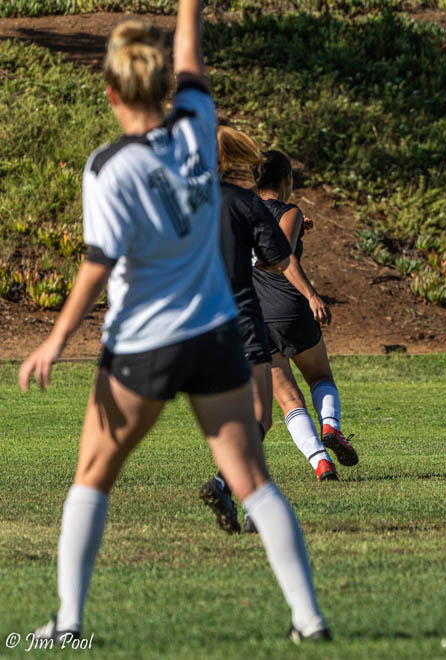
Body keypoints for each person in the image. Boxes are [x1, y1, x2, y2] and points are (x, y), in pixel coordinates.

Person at [18, 2, 330, 644]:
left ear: (110, 92)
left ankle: (70, 623)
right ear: (165, 87)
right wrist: (189, 6)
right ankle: (309, 618)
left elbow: (99, 264)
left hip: (145, 343)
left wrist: (53, 340)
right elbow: (193, 56)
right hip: (217, 337)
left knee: (92, 476)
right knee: (251, 479)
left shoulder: (109, 167)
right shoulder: (196, 126)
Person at [198, 125, 293, 535]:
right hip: (239, 315)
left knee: (227, 420)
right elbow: (276, 259)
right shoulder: (243, 201)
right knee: (259, 416)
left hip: (195, 323)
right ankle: (226, 484)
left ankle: (251, 504)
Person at [253, 150, 358, 483]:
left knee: (287, 400)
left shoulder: (238, 211)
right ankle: (331, 425)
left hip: (252, 315)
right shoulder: (290, 211)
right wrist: (312, 295)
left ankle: (320, 463)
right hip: (287, 307)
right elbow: (278, 256)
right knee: (319, 377)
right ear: (287, 180)